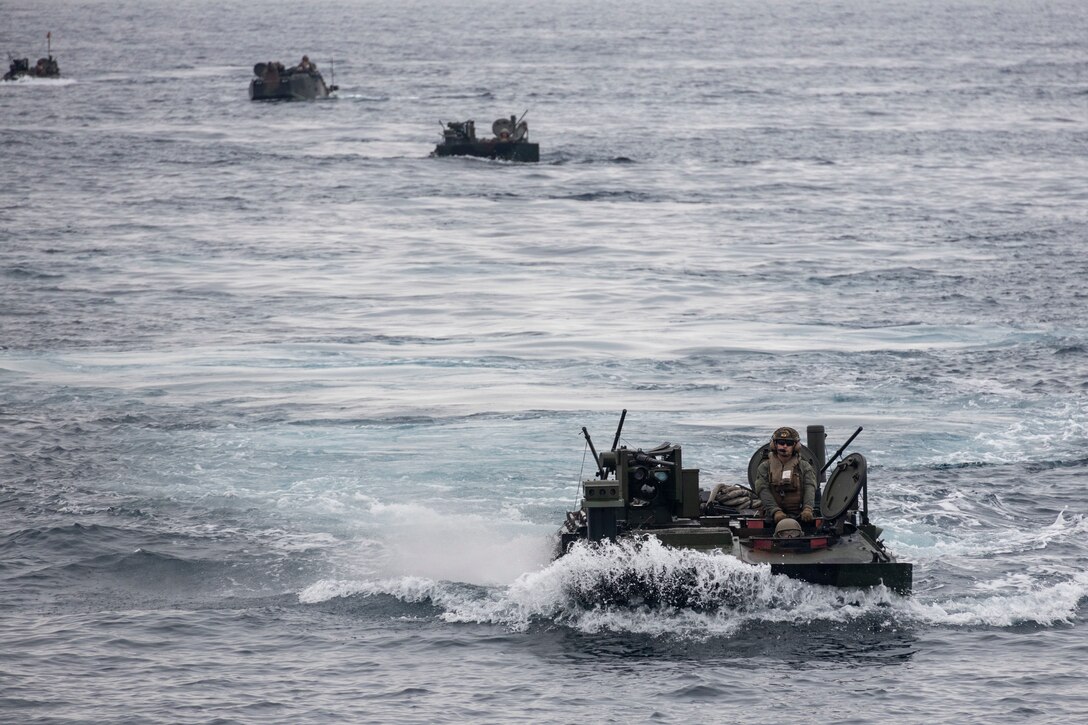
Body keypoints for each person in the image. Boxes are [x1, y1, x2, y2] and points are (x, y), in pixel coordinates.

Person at [753, 426, 817, 524]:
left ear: (795, 446)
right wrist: (775, 511)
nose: (785, 446)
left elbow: (810, 487)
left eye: (789, 443)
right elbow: (762, 490)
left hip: (800, 515)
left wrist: (808, 509)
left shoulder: (804, 466)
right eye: (781, 443)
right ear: (775, 445)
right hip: (772, 516)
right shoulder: (764, 467)